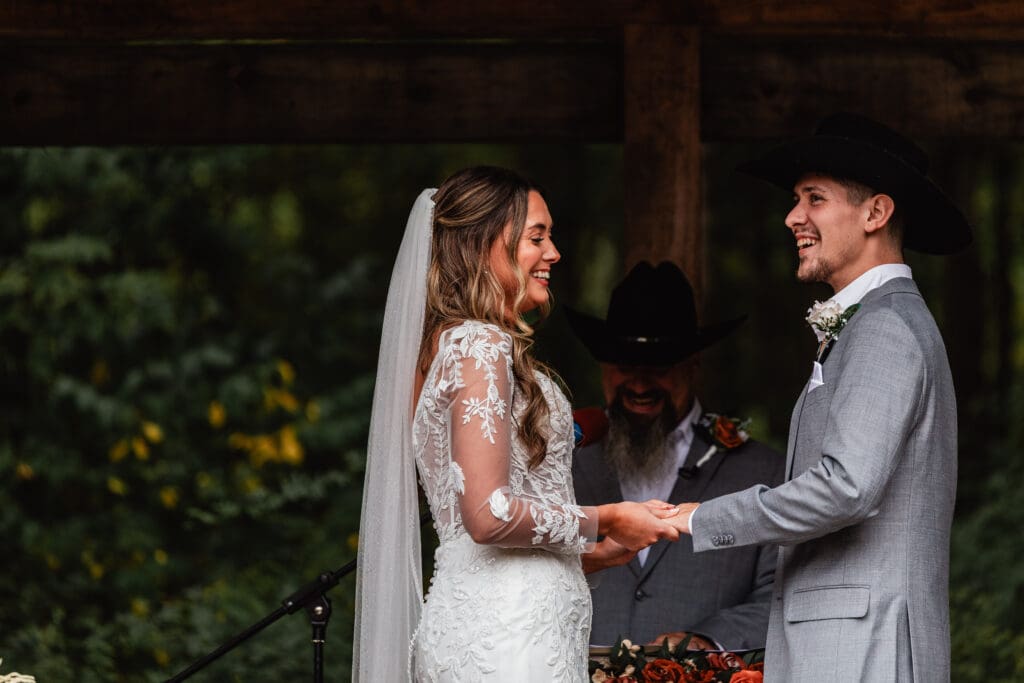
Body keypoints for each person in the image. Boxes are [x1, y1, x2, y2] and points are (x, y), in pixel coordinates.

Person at [352, 166, 687, 682]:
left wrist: (592, 554)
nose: (553, 253)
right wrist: (609, 518)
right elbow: (488, 515)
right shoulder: (479, 346)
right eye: (537, 237)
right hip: (509, 637)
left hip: (498, 624)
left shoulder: (440, 348)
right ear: (486, 243)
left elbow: (480, 536)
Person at [675, 113, 972, 681]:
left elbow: (846, 487)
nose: (793, 217)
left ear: (875, 213)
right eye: (795, 199)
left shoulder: (886, 327)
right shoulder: (876, 322)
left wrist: (699, 519)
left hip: (865, 648)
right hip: (851, 643)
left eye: (814, 198)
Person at [566, 261, 784, 651]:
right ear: (603, 368)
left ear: (692, 367)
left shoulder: (762, 470)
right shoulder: (566, 462)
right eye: (623, 365)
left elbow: (783, 594)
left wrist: (705, 639)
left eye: (658, 366)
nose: (639, 382)